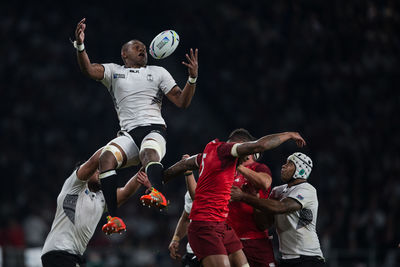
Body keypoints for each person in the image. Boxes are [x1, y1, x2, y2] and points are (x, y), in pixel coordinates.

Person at [73, 18, 199, 227]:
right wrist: (80, 44)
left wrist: (192, 79)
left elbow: (182, 101)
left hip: (154, 130)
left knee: (147, 153)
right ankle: (112, 218)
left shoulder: (158, 72)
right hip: (128, 135)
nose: (142, 49)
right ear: (125, 53)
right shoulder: (114, 71)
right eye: (137, 47)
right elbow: (88, 69)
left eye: (143, 47)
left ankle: (156, 193)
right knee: (105, 158)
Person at [163, 129, 306, 267]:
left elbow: (184, 165)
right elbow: (260, 145)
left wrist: (158, 178)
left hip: (222, 226)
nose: (248, 158)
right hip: (205, 225)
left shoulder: (209, 154)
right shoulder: (226, 151)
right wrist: (289, 134)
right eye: (248, 153)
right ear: (240, 145)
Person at [41, 148, 151, 267]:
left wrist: (145, 167)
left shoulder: (102, 199)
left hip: (73, 256)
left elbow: (125, 192)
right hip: (58, 252)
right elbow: (94, 160)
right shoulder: (74, 187)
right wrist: (121, 145)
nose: (100, 173)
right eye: (96, 170)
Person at [230, 152, 325, 267]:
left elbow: (281, 207)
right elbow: (263, 224)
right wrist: (255, 198)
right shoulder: (278, 190)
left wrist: (244, 197)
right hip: (286, 259)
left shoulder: (307, 189)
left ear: (301, 169)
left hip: (308, 258)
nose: (283, 166)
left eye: (289, 164)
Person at [227, 152, 277, 267]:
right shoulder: (226, 171)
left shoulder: (258, 168)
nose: (228, 152)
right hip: (230, 242)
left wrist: (238, 165)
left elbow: (265, 183)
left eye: (232, 148)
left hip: (256, 241)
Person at [168, 156, 200, 267]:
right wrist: (176, 239)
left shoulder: (229, 189)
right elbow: (186, 218)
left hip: (221, 251)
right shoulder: (191, 193)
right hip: (193, 253)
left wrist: (188, 171)